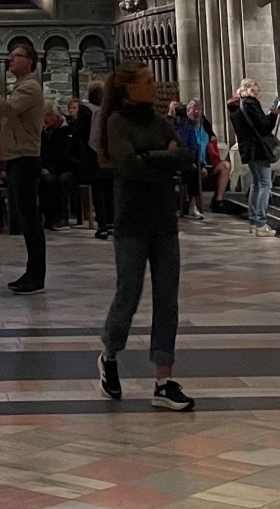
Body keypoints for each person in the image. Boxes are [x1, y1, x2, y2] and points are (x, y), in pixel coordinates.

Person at [97, 62, 195, 412]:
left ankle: (163, 381)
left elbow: (186, 157)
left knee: (167, 299)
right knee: (129, 293)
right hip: (132, 222)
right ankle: (109, 354)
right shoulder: (117, 122)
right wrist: (163, 159)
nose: (155, 85)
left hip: (163, 220)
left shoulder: (159, 121)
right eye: (148, 81)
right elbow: (127, 166)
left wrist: (152, 158)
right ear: (129, 89)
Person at [0, 42, 45, 294]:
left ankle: (37, 275)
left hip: (26, 157)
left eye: (16, 56)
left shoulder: (30, 87)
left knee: (30, 219)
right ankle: (32, 271)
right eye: (10, 56)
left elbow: (9, 108)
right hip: (17, 156)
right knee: (24, 218)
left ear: (29, 61)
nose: (10, 59)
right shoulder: (21, 86)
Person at [228, 78, 280, 236]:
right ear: (245, 91)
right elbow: (264, 127)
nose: (257, 94)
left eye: (258, 91)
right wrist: (273, 114)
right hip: (258, 149)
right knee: (265, 184)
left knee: (257, 183)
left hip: (248, 149)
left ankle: (253, 222)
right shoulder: (251, 104)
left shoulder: (236, 106)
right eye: (253, 91)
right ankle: (261, 223)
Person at [77, 83, 113, 238]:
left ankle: (103, 225)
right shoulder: (109, 110)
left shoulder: (85, 111)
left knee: (98, 190)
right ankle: (111, 223)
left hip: (92, 156)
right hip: (108, 155)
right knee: (108, 190)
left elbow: (79, 134)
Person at [187, 99, 231, 212]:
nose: (196, 112)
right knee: (196, 172)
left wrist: (213, 138)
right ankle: (193, 204)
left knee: (225, 166)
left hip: (208, 163)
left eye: (199, 109)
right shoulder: (185, 127)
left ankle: (218, 201)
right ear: (188, 110)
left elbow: (211, 137)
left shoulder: (204, 124)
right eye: (193, 108)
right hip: (192, 164)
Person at [40, 105, 79, 229]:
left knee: (61, 180)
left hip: (68, 169)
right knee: (45, 180)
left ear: (56, 117)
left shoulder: (68, 131)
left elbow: (64, 155)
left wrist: (50, 168)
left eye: (48, 116)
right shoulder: (46, 133)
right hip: (50, 169)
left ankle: (62, 217)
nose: (46, 120)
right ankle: (48, 217)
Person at [170, 102, 208, 221]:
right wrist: (170, 115)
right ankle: (170, 207)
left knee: (193, 172)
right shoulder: (167, 125)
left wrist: (188, 159)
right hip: (170, 160)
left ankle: (192, 205)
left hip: (185, 161)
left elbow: (193, 147)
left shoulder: (188, 127)